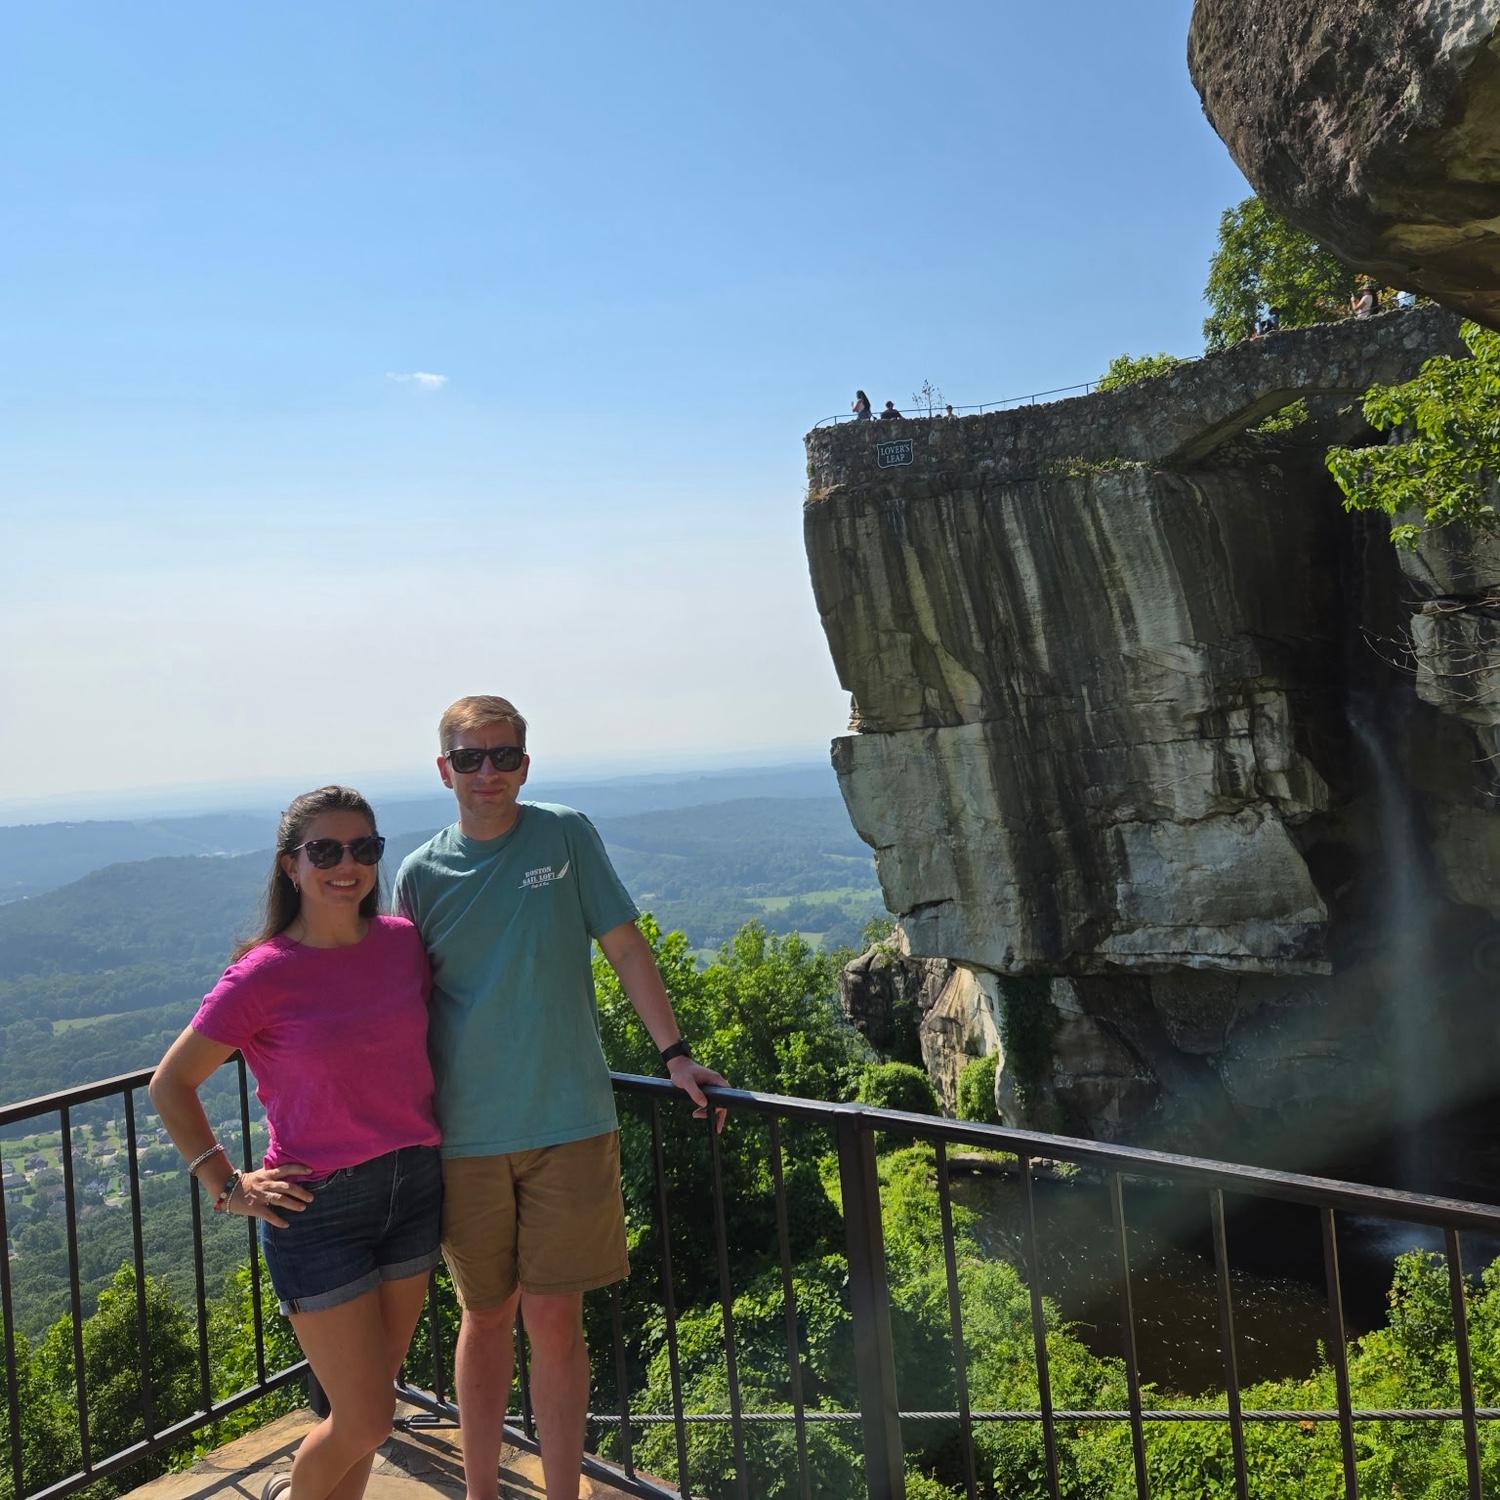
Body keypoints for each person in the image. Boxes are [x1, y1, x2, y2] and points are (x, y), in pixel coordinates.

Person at [392, 696, 727, 1500]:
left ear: (526, 765)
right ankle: (481, 1492)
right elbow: (401, 1007)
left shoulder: (566, 835)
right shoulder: (419, 875)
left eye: (504, 756)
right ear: (445, 771)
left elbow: (625, 946)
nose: (489, 773)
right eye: (471, 758)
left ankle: (563, 1493)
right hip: (466, 1134)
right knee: (484, 1319)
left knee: (554, 1322)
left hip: (570, 1120)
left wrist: (675, 1056)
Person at [151, 787, 441, 1500]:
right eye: (326, 850)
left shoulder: (404, 944)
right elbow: (171, 1085)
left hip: (415, 1188)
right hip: (320, 1211)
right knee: (369, 1418)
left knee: (365, 1407)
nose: (348, 865)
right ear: (291, 865)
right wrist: (228, 1185)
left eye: (364, 848)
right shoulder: (264, 974)